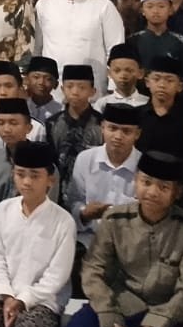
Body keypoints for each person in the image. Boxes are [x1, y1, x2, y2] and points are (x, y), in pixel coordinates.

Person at [65, 151, 183, 327]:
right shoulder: (114, 219)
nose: (152, 192)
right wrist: (110, 322)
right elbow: (93, 271)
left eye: (163, 187)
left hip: (168, 315)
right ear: (135, 182)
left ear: (177, 192)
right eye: (146, 182)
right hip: (117, 304)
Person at [0, 141, 76, 327]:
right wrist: (7, 295)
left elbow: (57, 276)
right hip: (4, 292)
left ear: (50, 180)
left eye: (35, 176)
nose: (27, 182)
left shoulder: (63, 221)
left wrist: (23, 300)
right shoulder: (3, 209)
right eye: (20, 174)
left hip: (43, 298)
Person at [34, 0, 124, 86]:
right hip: (53, 86)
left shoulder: (104, 6)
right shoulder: (43, 5)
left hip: (92, 85)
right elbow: (37, 48)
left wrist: (113, 85)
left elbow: (116, 49)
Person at [66, 103, 142, 250]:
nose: (118, 136)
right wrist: (85, 213)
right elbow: (73, 202)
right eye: (112, 128)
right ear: (102, 128)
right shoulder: (85, 159)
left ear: (137, 134)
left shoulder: (144, 166)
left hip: (130, 245)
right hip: (89, 240)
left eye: (126, 131)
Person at [131, 0, 183, 115]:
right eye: (150, 6)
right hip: (138, 105)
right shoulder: (132, 41)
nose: (155, 11)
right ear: (142, 10)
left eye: (161, 6)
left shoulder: (182, 43)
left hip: (175, 108)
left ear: (170, 9)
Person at [0, 102, 52, 217]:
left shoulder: (43, 162)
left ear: (29, 128)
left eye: (13, 123)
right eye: (1, 123)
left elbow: (49, 206)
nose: (6, 129)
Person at [46, 64, 103, 204]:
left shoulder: (102, 124)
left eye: (82, 87)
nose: (75, 92)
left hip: (92, 191)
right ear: (62, 89)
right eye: (69, 86)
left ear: (93, 91)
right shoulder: (52, 123)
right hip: (57, 192)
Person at [138, 57, 183, 160]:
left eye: (169, 80)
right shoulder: (137, 116)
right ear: (147, 82)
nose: (162, 85)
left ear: (180, 86)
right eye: (156, 79)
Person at [96, 43, 150, 111]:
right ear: (109, 73)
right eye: (117, 71)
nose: (123, 75)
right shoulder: (102, 104)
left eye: (129, 70)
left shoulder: (148, 103)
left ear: (140, 73)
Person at [23, 56, 61, 123]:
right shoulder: (18, 107)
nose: (41, 82)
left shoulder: (61, 112)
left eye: (48, 79)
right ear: (26, 80)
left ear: (56, 84)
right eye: (36, 77)